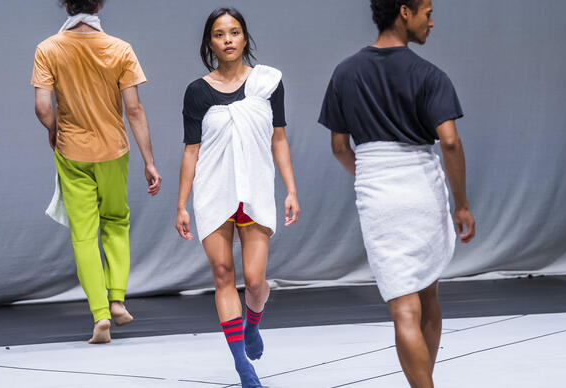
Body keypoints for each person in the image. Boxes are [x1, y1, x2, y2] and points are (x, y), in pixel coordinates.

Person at [318, 0, 476, 386]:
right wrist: (463, 205)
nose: (432, 22)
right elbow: (450, 142)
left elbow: (340, 147)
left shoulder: (345, 73)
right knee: (428, 297)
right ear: (404, 12)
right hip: (423, 189)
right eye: (427, 12)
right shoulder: (429, 74)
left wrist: (370, 173)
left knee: (403, 309)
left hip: (379, 195)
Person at [175, 7, 299, 387]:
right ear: (209, 42)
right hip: (213, 192)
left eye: (233, 32)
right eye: (218, 34)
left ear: (244, 37)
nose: (227, 39)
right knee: (222, 274)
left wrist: (291, 189)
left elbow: (279, 139)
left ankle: (253, 323)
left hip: (256, 190)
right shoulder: (197, 92)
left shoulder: (268, 82)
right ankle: (242, 366)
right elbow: (191, 150)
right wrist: (181, 204)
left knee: (256, 280)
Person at [31, 0, 162, 344]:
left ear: (64, 4)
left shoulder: (48, 48)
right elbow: (133, 109)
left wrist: (55, 131)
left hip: (71, 151)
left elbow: (42, 107)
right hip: (113, 150)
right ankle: (117, 300)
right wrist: (149, 160)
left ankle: (100, 314)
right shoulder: (120, 49)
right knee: (116, 222)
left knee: (84, 235)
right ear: (100, 3)